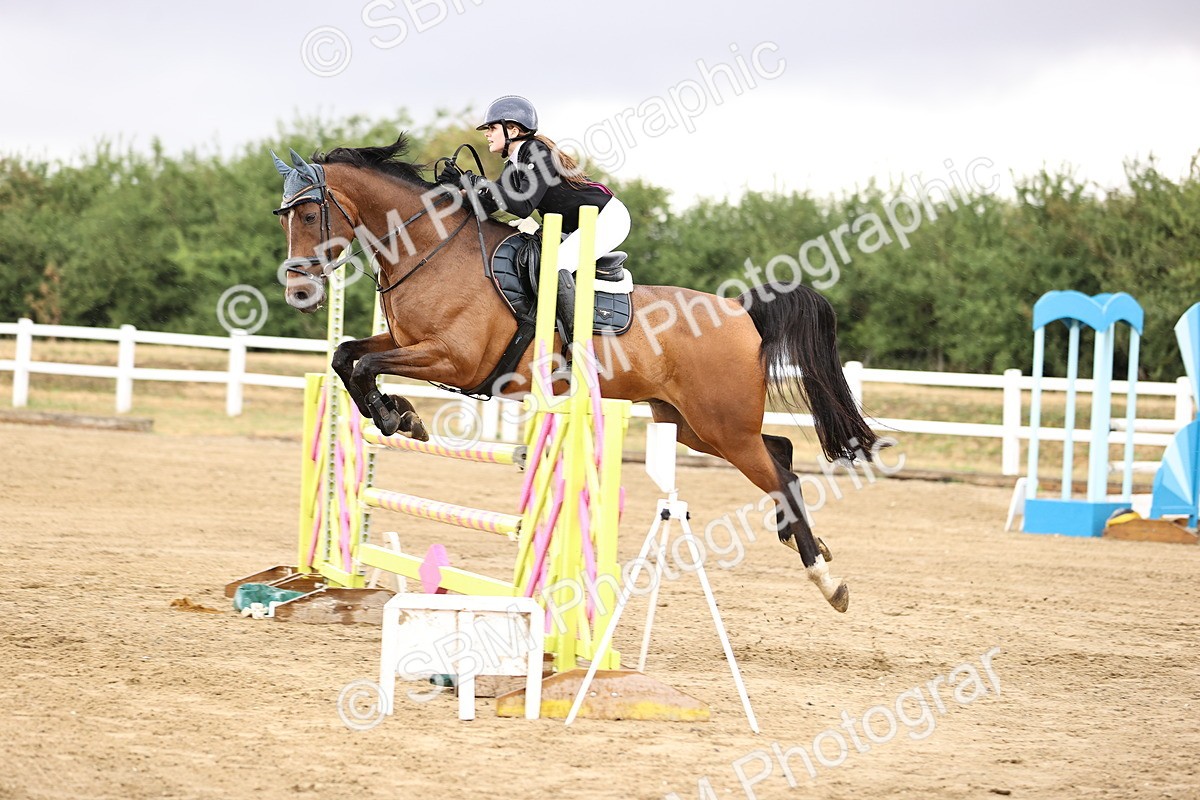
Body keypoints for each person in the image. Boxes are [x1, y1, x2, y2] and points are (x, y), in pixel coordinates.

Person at [461, 95, 631, 353]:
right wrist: (459, 189)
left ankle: (579, 347)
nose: (487, 134)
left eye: (492, 128)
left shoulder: (536, 152)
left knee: (555, 266)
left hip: (607, 218)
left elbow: (522, 205)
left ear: (513, 130)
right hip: (576, 225)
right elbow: (488, 208)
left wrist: (478, 183)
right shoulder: (514, 164)